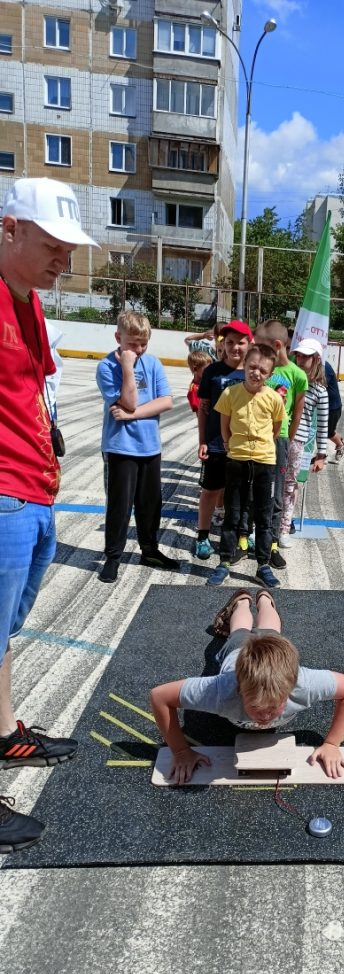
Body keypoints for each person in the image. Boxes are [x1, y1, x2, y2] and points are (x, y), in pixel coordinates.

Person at [0, 177, 97, 853]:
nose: (65, 259)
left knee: (2, 636)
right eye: (52, 245)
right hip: (4, 493)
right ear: (10, 229)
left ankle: (6, 733)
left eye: (70, 248)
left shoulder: (27, 301)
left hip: (32, 492)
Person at [149, 586, 344, 784]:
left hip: (270, 656)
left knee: (270, 630)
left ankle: (265, 600)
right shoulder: (220, 692)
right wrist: (180, 752)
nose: (265, 717)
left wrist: (332, 743)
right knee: (239, 632)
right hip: (236, 653)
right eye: (257, 708)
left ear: (290, 690)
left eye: (273, 708)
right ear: (239, 692)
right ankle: (241, 602)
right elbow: (160, 696)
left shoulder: (304, 684)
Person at [96, 311, 179, 584]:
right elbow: (128, 400)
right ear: (118, 338)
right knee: (120, 506)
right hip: (121, 447)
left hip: (149, 446)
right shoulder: (107, 367)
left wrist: (132, 415)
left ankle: (150, 549)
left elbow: (165, 401)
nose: (139, 349)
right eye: (133, 343)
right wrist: (128, 367)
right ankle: (113, 556)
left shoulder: (153, 363)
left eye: (144, 343)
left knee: (150, 504)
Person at [207, 344, 285, 589]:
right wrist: (230, 445)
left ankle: (263, 565)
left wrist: (262, 448)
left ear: (270, 374)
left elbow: (275, 429)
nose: (256, 373)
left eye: (262, 370)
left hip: (264, 462)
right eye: (252, 367)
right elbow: (224, 424)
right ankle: (225, 562)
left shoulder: (274, 398)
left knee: (263, 515)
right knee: (233, 513)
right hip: (237, 460)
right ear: (244, 366)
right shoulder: (230, 394)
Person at [195, 321, 252, 560]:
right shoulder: (212, 372)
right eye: (229, 342)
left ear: (250, 344)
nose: (235, 347)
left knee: (239, 494)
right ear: (222, 344)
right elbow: (203, 409)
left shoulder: (253, 373)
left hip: (244, 444)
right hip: (217, 443)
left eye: (240, 342)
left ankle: (239, 536)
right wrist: (203, 440)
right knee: (210, 491)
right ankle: (203, 537)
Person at [256, 320, 307, 570]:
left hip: (279, 441)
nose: (256, 352)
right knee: (255, 491)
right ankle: (250, 540)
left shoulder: (297, 375)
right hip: (254, 438)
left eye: (261, 346)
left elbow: (296, 413)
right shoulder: (260, 369)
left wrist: (285, 440)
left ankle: (272, 543)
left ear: (277, 346)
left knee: (276, 495)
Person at [278, 338, 328, 549]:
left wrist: (322, 455)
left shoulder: (319, 391)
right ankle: (260, 527)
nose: (300, 359)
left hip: (298, 443)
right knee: (268, 484)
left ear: (316, 359)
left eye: (305, 356)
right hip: (275, 438)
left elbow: (324, 424)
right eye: (298, 355)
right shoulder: (285, 378)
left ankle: (283, 529)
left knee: (290, 486)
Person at [324, 358, 344, 462]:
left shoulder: (324, 366)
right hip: (323, 405)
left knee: (327, 431)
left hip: (333, 407)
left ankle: (340, 444)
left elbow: (321, 385)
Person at [186, 349, 213, 414]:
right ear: (195, 369)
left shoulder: (209, 381)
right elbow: (200, 413)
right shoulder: (194, 390)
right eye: (206, 370)